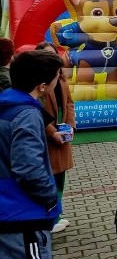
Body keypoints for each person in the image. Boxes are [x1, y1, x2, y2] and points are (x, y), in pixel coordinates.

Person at [0, 50, 63, 258]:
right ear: (42, 86)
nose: (59, 80)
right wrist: (51, 198)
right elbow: (28, 167)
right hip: (21, 217)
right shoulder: (26, 114)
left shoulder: (7, 105)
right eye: (57, 76)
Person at [33, 42, 75, 234]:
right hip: (47, 137)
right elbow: (37, 112)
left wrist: (70, 127)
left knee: (60, 177)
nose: (52, 59)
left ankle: (56, 214)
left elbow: (69, 104)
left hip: (63, 134)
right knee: (48, 177)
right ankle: (49, 218)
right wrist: (52, 132)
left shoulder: (61, 79)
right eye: (46, 55)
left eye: (53, 55)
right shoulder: (37, 83)